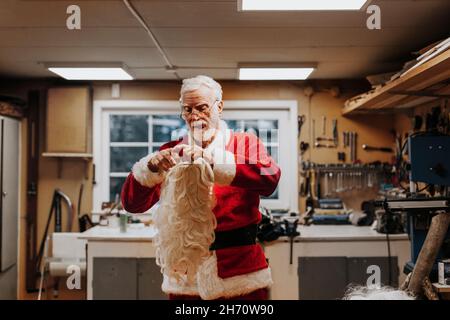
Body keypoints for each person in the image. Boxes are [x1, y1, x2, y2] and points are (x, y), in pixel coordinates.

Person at [121, 75, 281, 300]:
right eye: (187, 110)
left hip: (240, 274)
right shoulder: (173, 150)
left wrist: (214, 160)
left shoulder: (245, 144)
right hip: (187, 277)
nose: (194, 116)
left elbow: (270, 179)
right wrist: (150, 169)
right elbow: (132, 204)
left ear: (219, 107)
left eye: (202, 108)